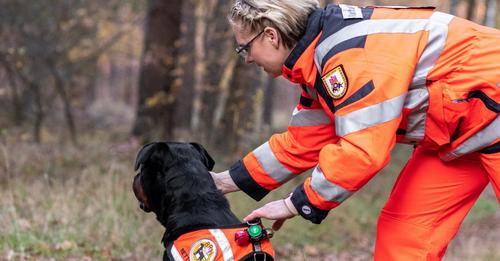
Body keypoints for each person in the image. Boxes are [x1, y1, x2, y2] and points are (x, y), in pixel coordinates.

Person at [211, 0, 500, 260]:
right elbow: (299, 142)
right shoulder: (317, 65)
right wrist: (223, 182)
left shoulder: (349, 54)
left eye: (244, 48)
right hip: (462, 134)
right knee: (405, 232)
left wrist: (295, 204)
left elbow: (362, 151)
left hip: (490, 113)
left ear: (271, 35)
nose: (247, 58)